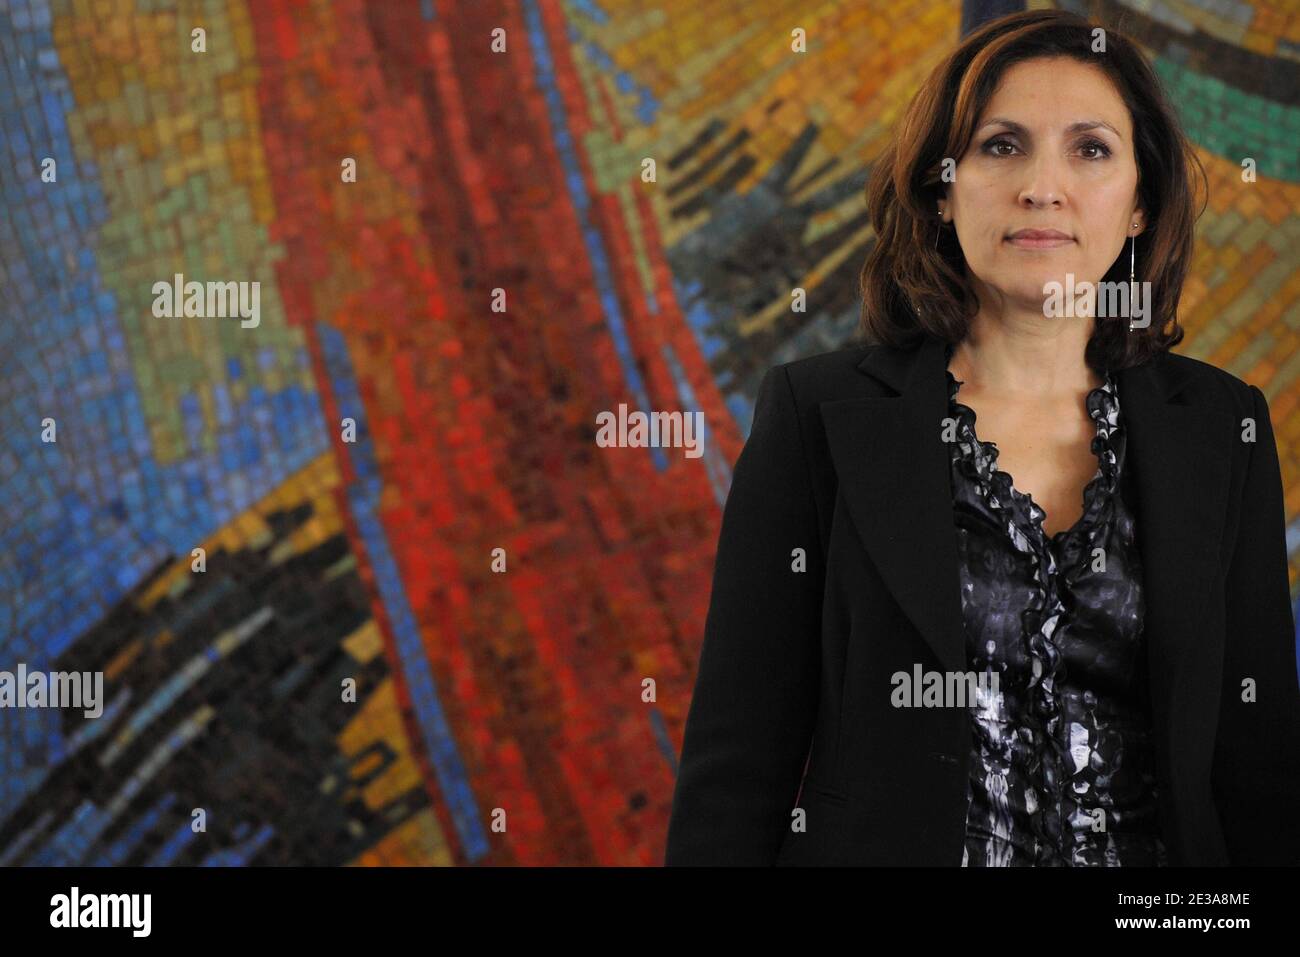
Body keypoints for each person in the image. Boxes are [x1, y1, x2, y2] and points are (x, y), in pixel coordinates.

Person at [664, 9, 1300, 866]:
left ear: (1142, 201)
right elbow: (738, 767)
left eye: (1091, 149)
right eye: (1003, 145)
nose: (1044, 185)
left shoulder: (1226, 429)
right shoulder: (815, 417)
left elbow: (1255, 770)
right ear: (941, 186)